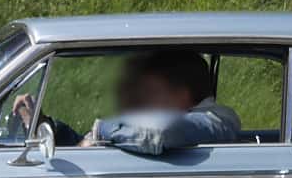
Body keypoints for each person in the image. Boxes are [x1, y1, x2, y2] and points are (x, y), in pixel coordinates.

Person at [17, 49, 241, 155]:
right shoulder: (187, 120)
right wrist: (44, 125)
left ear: (180, 94)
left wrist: (100, 131)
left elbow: (159, 132)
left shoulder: (217, 120)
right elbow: (87, 147)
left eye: (152, 92)